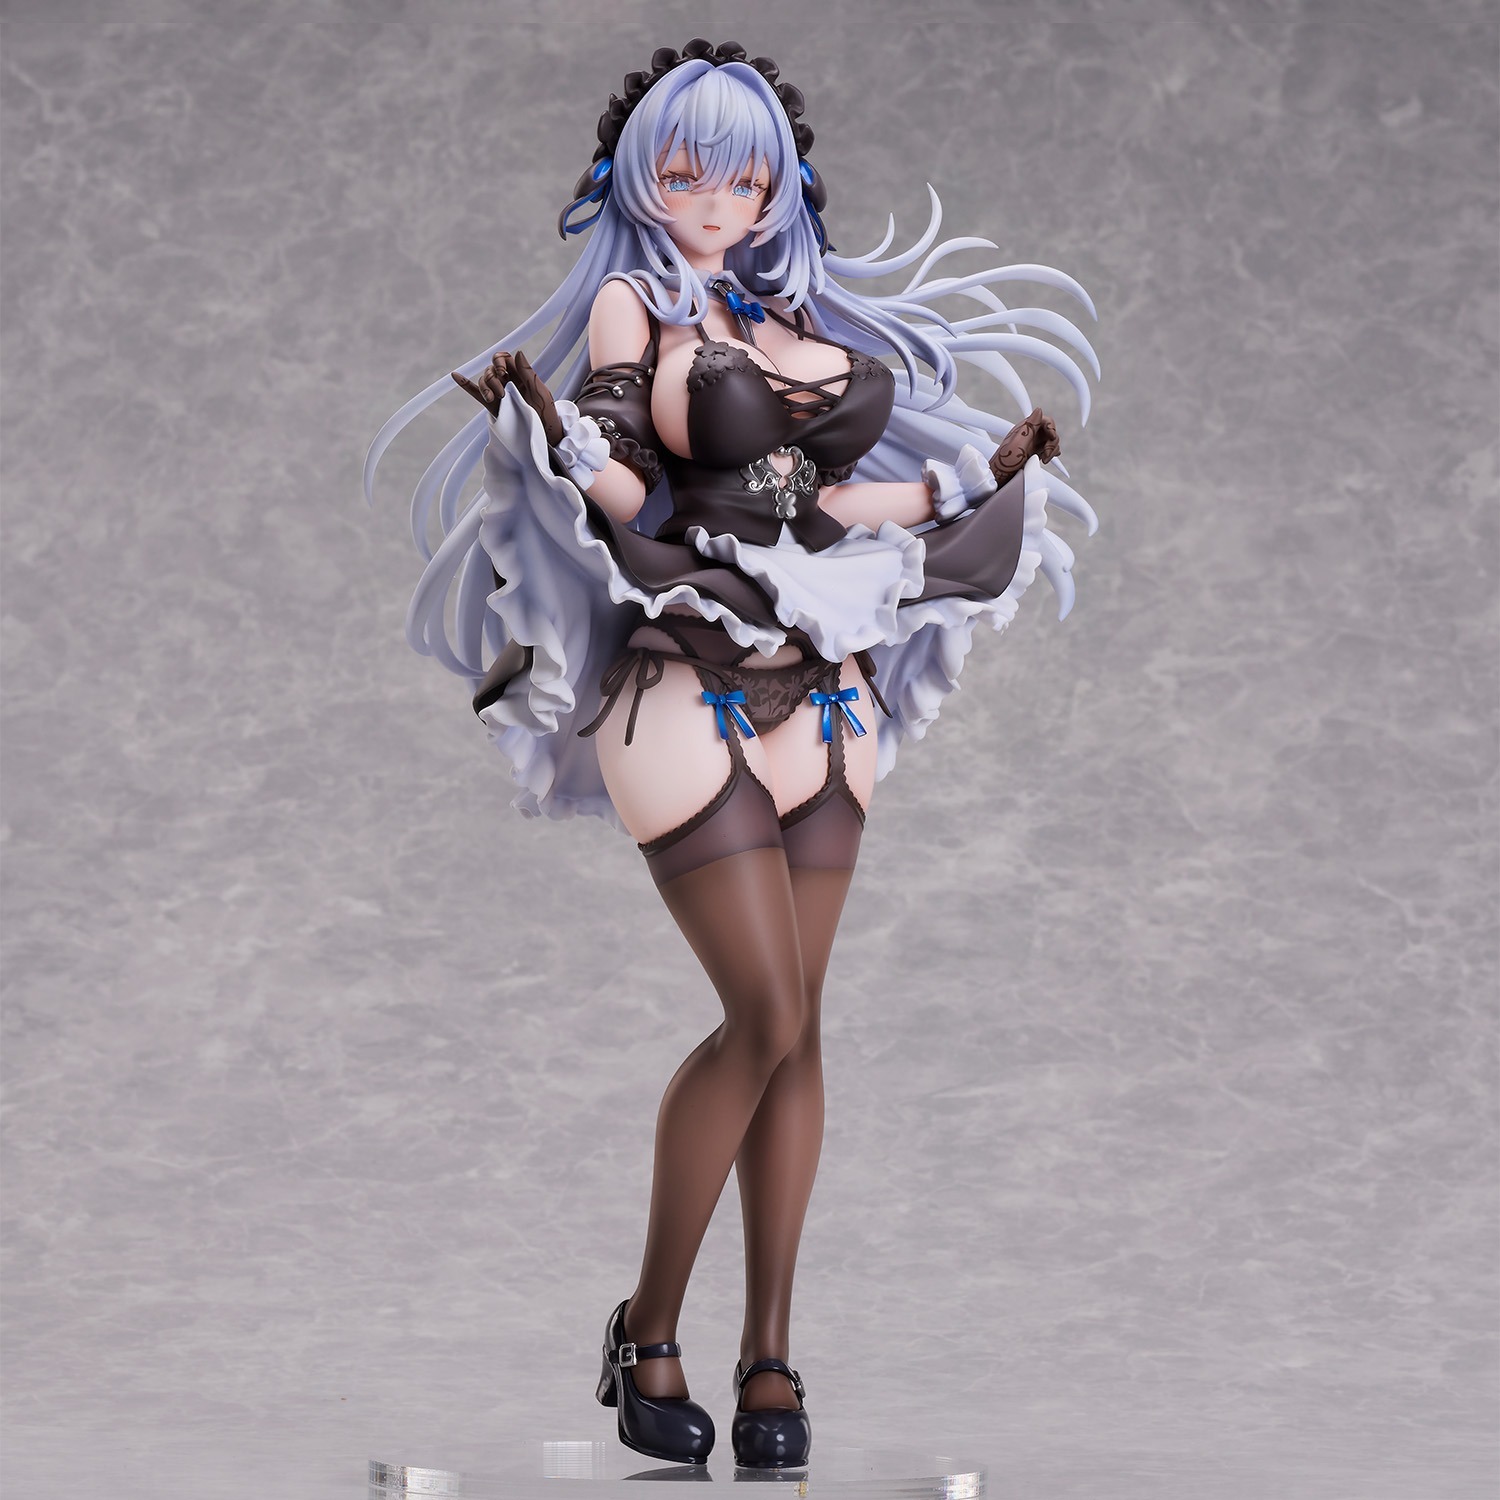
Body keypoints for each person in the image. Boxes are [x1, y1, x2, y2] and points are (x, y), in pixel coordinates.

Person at [365, 38, 1099, 1471]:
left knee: (800, 1025)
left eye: (746, 176)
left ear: (777, 187)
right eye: (691, 171)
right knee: (760, 1012)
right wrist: (559, 443)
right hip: (686, 674)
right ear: (643, 177)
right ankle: (646, 1328)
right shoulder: (635, 309)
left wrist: (973, 481)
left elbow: (827, 499)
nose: (719, 199)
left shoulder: (787, 310)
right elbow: (637, 485)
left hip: (827, 689)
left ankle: (772, 1359)